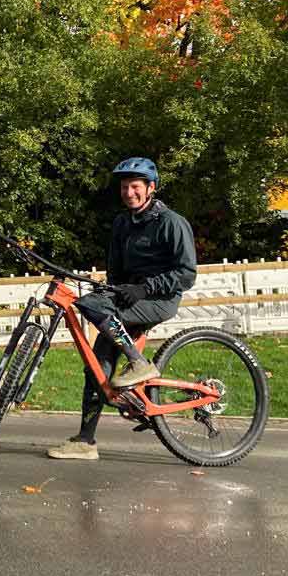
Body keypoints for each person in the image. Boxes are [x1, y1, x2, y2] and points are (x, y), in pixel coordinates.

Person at [47, 156, 197, 461]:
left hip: (159, 300)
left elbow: (186, 274)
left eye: (135, 186)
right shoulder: (122, 223)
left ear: (151, 188)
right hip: (127, 299)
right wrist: (111, 289)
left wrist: (144, 288)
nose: (129, 192)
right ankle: (85, 442)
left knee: (92, 306)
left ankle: (138, 363)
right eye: (125, 187)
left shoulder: (171, 222)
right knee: (96, 366)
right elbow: (116, 271)